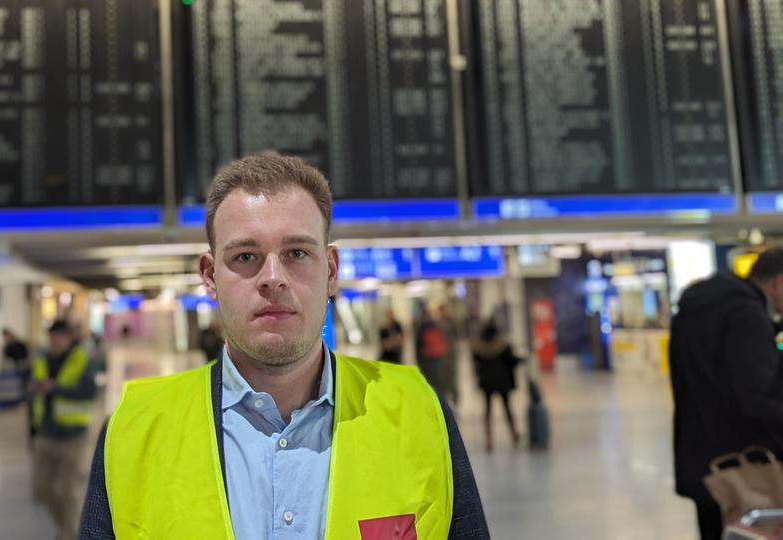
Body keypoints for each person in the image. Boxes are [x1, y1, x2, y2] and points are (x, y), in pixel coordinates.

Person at [79, 153, 488, 538]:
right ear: (209, 277)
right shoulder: (134, 430)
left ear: (330, 271)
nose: (272, 277)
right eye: (244, 257)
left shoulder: (420, 413)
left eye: (296, 252)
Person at [670, 248, 783, 540]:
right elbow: (757, 401)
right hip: (744, 469)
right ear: (779, 283)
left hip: (704, 461)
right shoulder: (746, 316)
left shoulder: (701, 307)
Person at [30, 319, 97, 540]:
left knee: (68, 492)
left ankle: (68, 534)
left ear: (70, 338)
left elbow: (89, 391)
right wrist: (33, 389)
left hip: (72, 436)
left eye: (61, 337)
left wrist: (56, 387)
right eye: (52, 337)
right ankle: (67, 528)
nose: (56, 341)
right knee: (41, 489)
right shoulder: (42, 359)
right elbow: (28, 390)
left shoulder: (81, 359)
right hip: (45, 433)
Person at [471, 320, 521, 452]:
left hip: (486, 382)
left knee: (487, 410)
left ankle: (489, 439)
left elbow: (475, 364)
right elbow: (512, 361)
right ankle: (514, 433)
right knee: (507, 407)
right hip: (502, 381)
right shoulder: (503, 344)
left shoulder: (478, 346)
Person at [415, 306, 453, 396]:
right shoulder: (437, 324)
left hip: (425, 357)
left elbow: (418, 345)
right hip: (437, 356)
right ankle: (440, 395)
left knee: (429, 379)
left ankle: (432, 395)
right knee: (437, 378)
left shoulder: (420, 326)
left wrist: (418, 360)